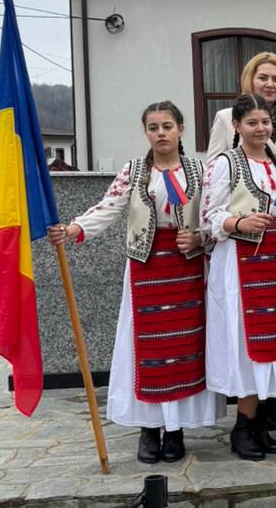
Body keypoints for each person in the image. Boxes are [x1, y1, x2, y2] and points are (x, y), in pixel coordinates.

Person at [46, 101, 221, 462]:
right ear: (146, 132)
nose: (161, 133)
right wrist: (75, 228)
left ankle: (175, 429)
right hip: (146, 266)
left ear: (181, 129)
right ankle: (149, 428)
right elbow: (108, 207)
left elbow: (211, 214)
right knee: (147, 349)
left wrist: (200, 237)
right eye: (153, 127)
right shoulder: (135, 171)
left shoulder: (199, 170)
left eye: (167, 126)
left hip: (186, 266)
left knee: (183, 348)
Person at [202, 93, 276, 461]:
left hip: (273, 261)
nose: (261, 129)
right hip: (239, 264)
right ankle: (243, 426)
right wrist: (238, 222)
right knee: (244, 342)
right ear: (237, 126)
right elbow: (210, 217)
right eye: (252, 123)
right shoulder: (225, 163)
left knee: (268, 341)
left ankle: (257, 422)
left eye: (266, 122)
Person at [206, 52, 276, 164]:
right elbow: (213, 167)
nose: (270, 84)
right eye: (263, 78)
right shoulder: (225, 118)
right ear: (250, 81)